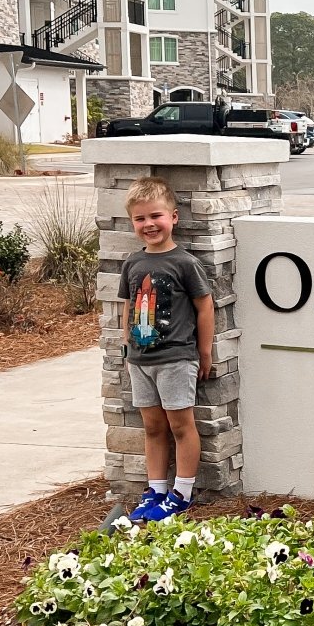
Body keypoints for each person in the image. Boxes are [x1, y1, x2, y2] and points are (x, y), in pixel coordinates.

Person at [119, 177, 214, 522]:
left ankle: (182, 494)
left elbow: (205, 307)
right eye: (140, 219)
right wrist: (126, 345)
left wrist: (204, 353)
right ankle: (156, 489)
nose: (148, 224)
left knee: (180, 426)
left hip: (176, 358)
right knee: (153, 427)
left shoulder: (184, 263)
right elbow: (128, 306)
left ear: (173, 217)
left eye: (155, 216)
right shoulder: (132, 263)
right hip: (141, 360)